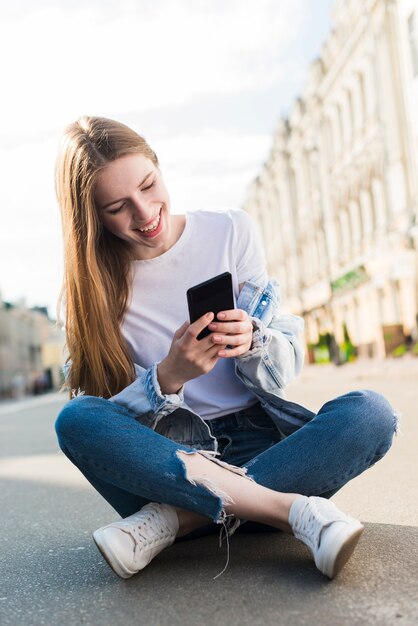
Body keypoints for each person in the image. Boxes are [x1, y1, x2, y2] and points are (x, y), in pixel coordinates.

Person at [54, 116, 397, 581]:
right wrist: (166, 379)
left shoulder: (230, 231)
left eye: (149, 185)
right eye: (118, 207)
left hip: (252, 448)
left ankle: (174, 523)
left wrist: (255, 339)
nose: (144, 212)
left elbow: (283, 366)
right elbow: (107, 421)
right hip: (165, 464)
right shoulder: (89, 293)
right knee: (76, 420)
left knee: (371, 413)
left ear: (157, 164)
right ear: (92, 216)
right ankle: (291, 510)